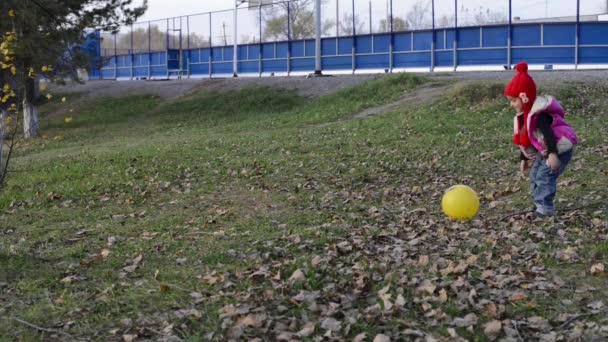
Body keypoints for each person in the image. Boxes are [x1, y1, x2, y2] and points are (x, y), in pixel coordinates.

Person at [504, 62, 578, 217]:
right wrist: (524, 158)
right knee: (534, 174)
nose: (511, 105)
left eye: (513, 100)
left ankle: (545, 209)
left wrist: (552, 154)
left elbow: (549, 134)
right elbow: (525, 139)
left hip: (558, 148)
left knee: (544, 176)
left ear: (524, 98)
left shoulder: (539, 116)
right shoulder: (523, 117)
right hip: (545, 150)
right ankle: (540, 204)